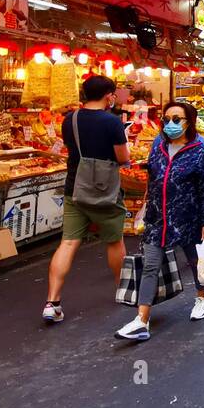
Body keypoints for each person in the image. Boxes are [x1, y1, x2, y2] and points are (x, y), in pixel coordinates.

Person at [114, 102, 204, 341]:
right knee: (150, 265)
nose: (170, 123)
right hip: (157, 217)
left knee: (194, 261)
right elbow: (153, 177)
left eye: (177, 119)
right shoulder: (158, 145)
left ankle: (203, 297)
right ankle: (142, 320)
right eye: (167, 118)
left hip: (187, 217)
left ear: (189, 122)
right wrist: (146, 205)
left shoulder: (198, 149)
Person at [43, 74, 129, 323]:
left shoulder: (71, 119)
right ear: (108, 95)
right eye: (113, 94)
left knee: (68, 242)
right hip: (105, 191)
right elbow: (122, 158)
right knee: (114, 241)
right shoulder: (112, 122)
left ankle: (52, 301)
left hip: (75, 188)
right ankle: (122, 291)